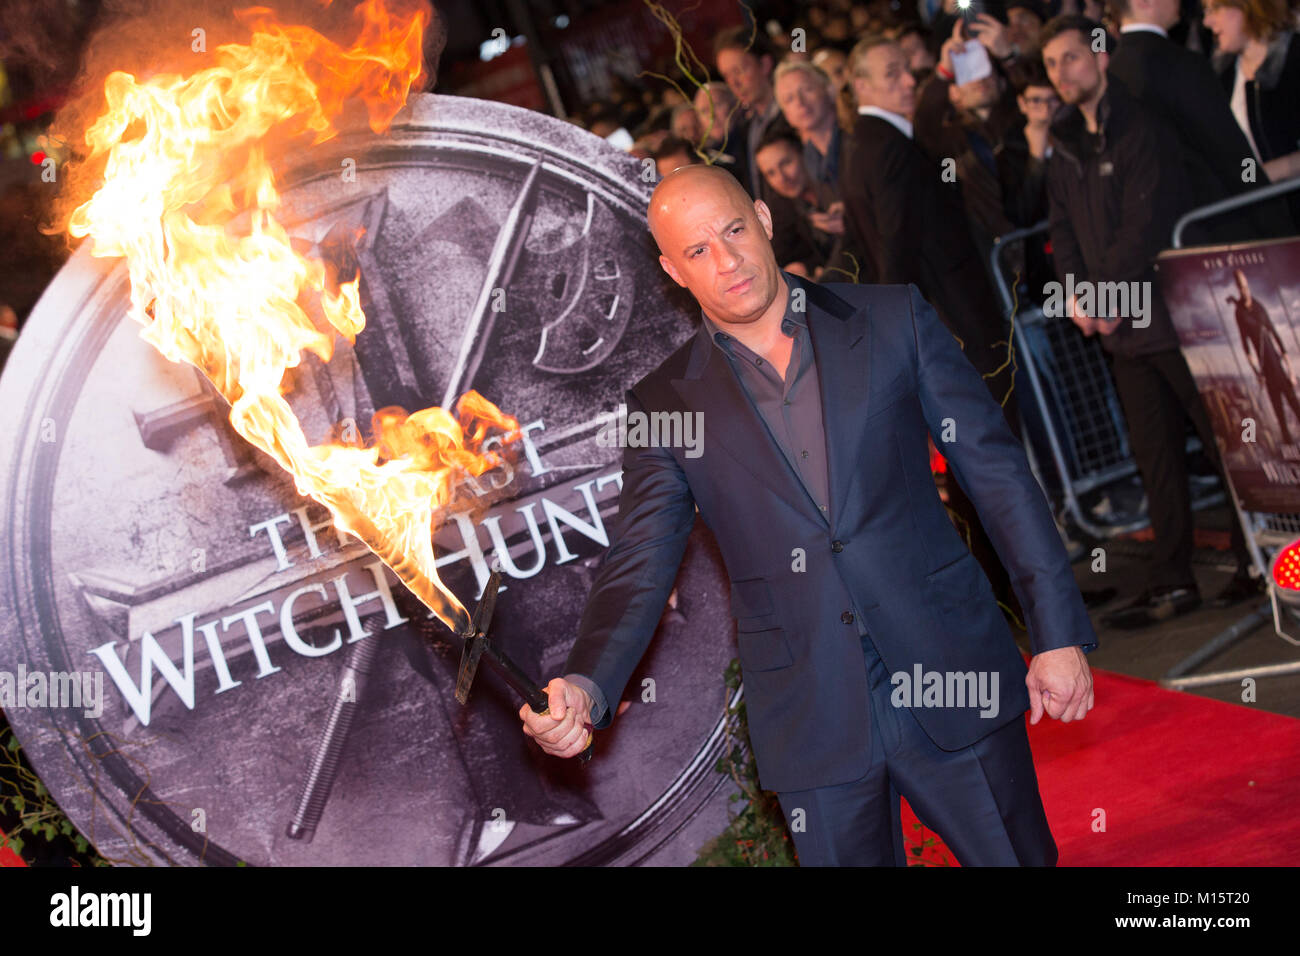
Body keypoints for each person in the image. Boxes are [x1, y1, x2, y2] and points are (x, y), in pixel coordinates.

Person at [519, 163, 1097, 866]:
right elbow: (640, 562)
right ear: (673, 271)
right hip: (810, 712)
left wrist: (1058, 631)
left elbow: (998, 475)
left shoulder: (893, 320)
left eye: (733, 230)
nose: (727, 261)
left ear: (763, 218)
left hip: (950, 667)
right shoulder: (666, 407)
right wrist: (585, 683)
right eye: (698, 251)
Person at [1040, 15, 1261, 626]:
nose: (1062, 73)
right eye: (1051, 64)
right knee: (1153, 453)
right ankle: (1174, 577)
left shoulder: (1141, 125)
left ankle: (1257, 561)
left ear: (1102, 57)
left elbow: (1148, 221)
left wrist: (1103, 301)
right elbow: (1062, 229)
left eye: (1072, 58)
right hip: (1123, 327)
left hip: (1172, 312)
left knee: (1223, 444)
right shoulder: (1061, 141)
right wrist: (1078, 296)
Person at [1105, 0, 1293, 239]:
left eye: (1215, 10)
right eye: (1208, 10)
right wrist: (1280, 230)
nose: (1206, 20)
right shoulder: (1183, 65)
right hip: (1215, 230)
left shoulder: (1111, 75)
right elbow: (1233, 158)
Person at [1204, 0, 1300, 226]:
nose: (1208, 22)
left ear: (1249, 7)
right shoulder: (1221, 74)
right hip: (1255, 220)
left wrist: (1267, 173)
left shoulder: (1294, 59)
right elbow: (1242, 157)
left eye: (1215, 9)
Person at [1229, 268, 1300, 444]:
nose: (1244, 290)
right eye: (1240, 287)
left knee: (1295, 404)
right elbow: (1246, 347)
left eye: (1245, 286)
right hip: (1266, 371)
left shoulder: (1259, 307)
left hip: (1278, 366)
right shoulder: (1240, 313)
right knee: (1279, 413)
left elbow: (1276, 337)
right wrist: (1256, 372)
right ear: (1237, 287)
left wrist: (1291, 372)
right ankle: (1289, 446)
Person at [714, 26, 783, 199]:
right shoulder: (748, 126)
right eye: (727, 76)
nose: (734, 83)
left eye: (739, 71)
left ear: (765, 64)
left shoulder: (792, 117)